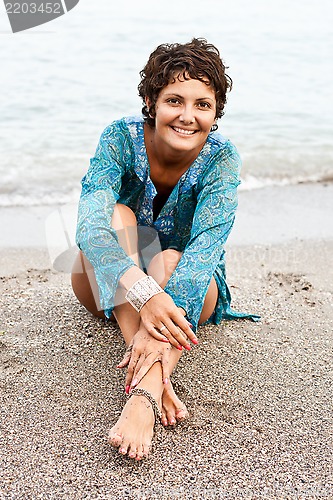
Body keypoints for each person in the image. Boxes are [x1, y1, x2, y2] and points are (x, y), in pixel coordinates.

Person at [71, 38, 259, 461]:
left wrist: (161, 293)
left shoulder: (223, 159)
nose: (188, 116)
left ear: (216, 112)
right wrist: (146, 294)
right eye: (175, 100)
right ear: (150, 100)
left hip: (191, 295)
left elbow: (202, 259)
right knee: (117, 215)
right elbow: (90, 229)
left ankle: (143, 395)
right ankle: (152, 379)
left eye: (203, 105)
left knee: (172, 258)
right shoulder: (119, 138)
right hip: (106, 287)